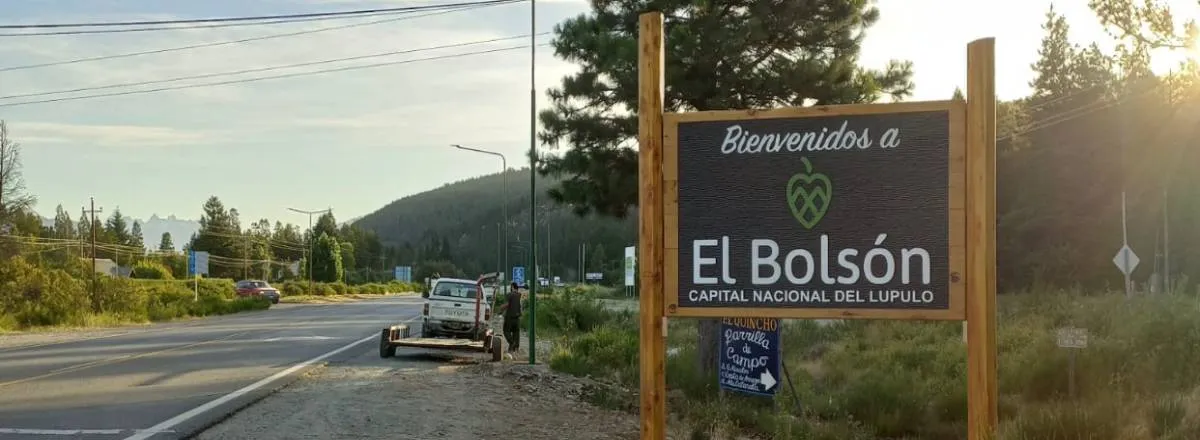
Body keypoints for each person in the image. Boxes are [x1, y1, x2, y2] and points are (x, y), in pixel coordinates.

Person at [498, 281, 522, 353]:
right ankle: (515, 348)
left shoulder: (509, 295)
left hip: (509, 317)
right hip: (517, 317)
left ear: (512, 287)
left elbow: (506, 304)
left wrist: (500, 310)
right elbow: (521, 306)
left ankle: (512, 343)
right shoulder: (519, 295)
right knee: (516, 332)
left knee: (506, 331)